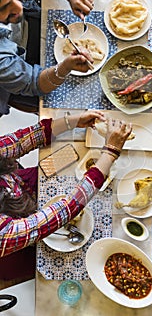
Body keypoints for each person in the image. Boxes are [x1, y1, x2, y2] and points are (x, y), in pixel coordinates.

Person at [0, 110, 132, 280]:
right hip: (22, 247)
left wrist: (73, 121)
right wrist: (110, 153)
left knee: (69, 160)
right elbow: (59, 214)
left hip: (22, 187)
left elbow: (19, 142)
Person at [0, 0, 95, 116]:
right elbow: (35, 83)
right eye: (4, 7)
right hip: (16, 79)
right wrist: (64, 68)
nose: (19, 7)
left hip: (30, 23)